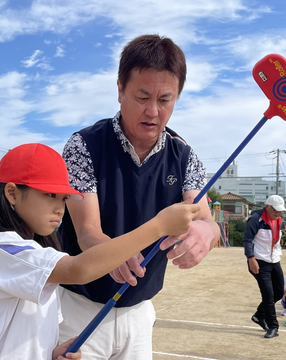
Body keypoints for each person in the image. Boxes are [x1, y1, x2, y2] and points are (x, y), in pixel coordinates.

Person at [58, 34, 221, 359]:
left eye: (165, 100)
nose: (153, 111)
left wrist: (208, 231)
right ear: (120, 90)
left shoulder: (185, 155)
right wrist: (113, 254)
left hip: (140, 312)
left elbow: (206, 219)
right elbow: (88, 232)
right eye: (142, 96)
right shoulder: (84, 146)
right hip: (77, 308)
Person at [0, 143, 201, 360]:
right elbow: (78, 269)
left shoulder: (37, 252)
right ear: (12, 193)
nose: (59, 209)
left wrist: (51, 354)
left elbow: (23, 338)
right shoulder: (0, 247)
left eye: (63, 199)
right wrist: (158, 226)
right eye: (49, 195)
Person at [243, 195, 286, 339]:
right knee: (268, 295)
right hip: (259, 262)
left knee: (279, 292)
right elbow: (247, 239)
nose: (279, 213)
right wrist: (251, 258)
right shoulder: (256, 220)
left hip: (274, 260)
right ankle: (273, 326)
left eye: (281, 211)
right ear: (267, 207)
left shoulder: (279, 220)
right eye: (276, 210)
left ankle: (259, 315)